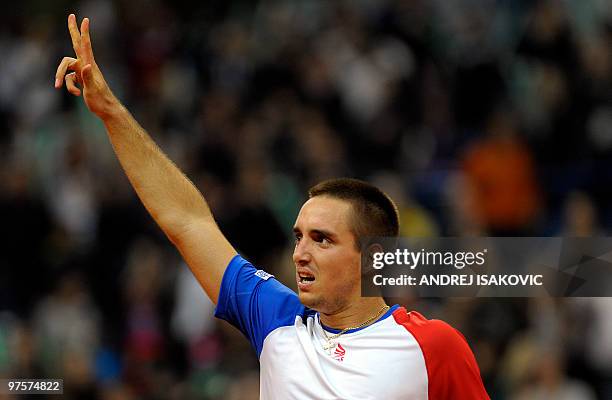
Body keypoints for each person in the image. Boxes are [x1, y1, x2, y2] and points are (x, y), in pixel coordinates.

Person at [55, 14, 490, 399]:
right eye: (299, 236)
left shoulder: (433, 347)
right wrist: (110, 111)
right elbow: (187, 221)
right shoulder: (277, 318)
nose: (300, 252)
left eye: (322, 239)